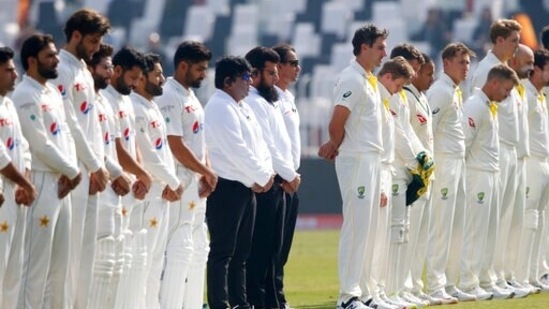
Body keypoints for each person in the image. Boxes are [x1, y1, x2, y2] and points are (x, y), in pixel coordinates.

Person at [318, 23, 388, 309]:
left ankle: (367, 293)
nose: (384, 52)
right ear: (364, 47)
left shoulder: (368, 79)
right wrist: (336, 145)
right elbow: (336, 122)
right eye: (380, 47)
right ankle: (348, 297)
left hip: (371, 158)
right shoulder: (352, 79)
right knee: (357, 228)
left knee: (370, 230)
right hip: (357, 158)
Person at [14, 33, 82, 309]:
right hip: (41, 181)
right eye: (49, 56)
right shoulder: (24, 94)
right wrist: (72, 170)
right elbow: (39, 142)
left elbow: (64, 135)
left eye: (55, 54)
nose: (56, 60)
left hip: (61, 183)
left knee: (58, 266)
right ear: (32, 61)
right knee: (35, 264)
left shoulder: (51, 92)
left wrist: (70, 170)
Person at [204, 56, 274, 309]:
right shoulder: (219, 107)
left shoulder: (242, 106)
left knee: (242, 254)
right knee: (223, 251)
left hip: (246, 187)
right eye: (245, 78)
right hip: (226, 188)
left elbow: (260, 145)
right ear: (227, 81)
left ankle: (240, 302)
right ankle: (220, 304)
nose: (249, 83)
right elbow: (237, 150)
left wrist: (265, 174)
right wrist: (262, 177)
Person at [52, 9, 111, 308]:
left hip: (89, 172)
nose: (96, 48)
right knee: (67, 256)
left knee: (85, 255)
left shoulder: (81, 70)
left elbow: (92, 126)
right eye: (92, 40)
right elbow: (70, 122)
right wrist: (94, 165)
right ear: (75, 35)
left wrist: (98, 166)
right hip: (72, 171)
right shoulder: (61, 68)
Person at [157, 41, 217, 309]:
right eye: (200, 69)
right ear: (183, 66)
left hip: (195, 181)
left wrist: (207, 169)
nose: (204, 74)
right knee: (179, 250)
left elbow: (199, 140)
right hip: (179, 179)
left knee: (197, 249)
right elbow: (175, 144)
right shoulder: (168, 95)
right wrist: (204, 170)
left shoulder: (190, 96)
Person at [469, 18, 522, 300]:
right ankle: (485, 278)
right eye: (514, 40)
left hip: (510, 150)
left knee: (503, 220)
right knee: (491, 220)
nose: (517, 46)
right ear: (499, 40)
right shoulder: (486, 71)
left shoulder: (506, 70)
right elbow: (477, 108)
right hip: (494, 150)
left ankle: (497, 276)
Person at [244, 46, 300, 309]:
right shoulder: (254, 101)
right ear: (254, 73)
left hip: (282, 180)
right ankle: (259, 300)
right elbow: (269, 146)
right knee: (262, 249)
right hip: (270, 181)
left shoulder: (272, 99)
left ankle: (271, 299)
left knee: (275, 250)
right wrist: (289, 174)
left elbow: (283, 143)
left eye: (277, 71)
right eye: (271, 72)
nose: (276, 78)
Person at [458, 65, 520, 300]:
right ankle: (467, 282)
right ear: (494, 83)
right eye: (506, 89)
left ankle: (483, 279)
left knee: (489, 230)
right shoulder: (475, 105)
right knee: (476, 229)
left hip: (491, 172)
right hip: (478, 173)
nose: (507, 95)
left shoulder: (488, 105)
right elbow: (464, 143)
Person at [130, 53, 183, 309]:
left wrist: (169, 182)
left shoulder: (152, 106)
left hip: (161, 192)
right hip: (148, 194)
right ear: (141, 79)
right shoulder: (137, 108)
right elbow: (148, 154)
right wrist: (173, 180)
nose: (163, 79)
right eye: (157, 75)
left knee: (155, 262)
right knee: (142, 260)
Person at [100, 46, 152, 309]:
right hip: (114, 186)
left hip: (130, 187)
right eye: (132, 78)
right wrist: (140, 174)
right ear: (117, 71)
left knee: (128, 258)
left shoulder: (125, 100)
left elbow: (134, 146)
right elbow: (118, 149)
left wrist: (141, 174)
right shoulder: (106, 99)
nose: (134, 84)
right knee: (110, 259)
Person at [424, 43, 476, 303]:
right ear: (447, 62)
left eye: (468, 63)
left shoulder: (454, 91)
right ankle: (434, 285)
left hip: (457, 162)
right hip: (444, 164)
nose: (466, 67)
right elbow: (427, 132)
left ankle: (449, 282)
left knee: (456, 226)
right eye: (462, 62)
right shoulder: (441, 91)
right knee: (442, 226)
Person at [87, 43, 133, 309]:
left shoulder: (105, 101)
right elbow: (92, 145)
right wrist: (118, 173)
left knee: (113, 262)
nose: (110, 72)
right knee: (96, 262)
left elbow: (113, 146)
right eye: (105, 67)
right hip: (97, 185)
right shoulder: (86, 100)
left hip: (113, 188)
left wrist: (120, 174)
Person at [384, 44, 430, 309]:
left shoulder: (402, 95)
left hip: (407, 170)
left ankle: (398, 289)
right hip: (395, 170)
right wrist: (416, 160)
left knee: (404, 232)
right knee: (393, 232)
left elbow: (408, 132)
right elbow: (398, 134)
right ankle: (388, 290)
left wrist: (422, 157)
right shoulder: (393, 95)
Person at [367, 56, 415, 309]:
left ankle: (379, 292)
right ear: (388, 77)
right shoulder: (376, 96)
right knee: (376, 237)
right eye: (398, 85)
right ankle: (370, 293)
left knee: (386, 236)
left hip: (385, 171)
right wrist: (415, 161)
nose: (398, 91)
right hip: (377, 170)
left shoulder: (384, 97)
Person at [491, 44, 535, 298]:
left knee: (514, 221)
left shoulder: (517, 86)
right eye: (527, 61)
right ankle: (493, 277)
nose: (531, 66)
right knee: (499, 220)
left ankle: (506, 276)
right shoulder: (493, 75)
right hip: (500, 155)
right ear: (515, 62)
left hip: (518, 156)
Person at [401, 53, 440, 305]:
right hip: (412, 175)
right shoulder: (406, 97)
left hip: (427, 174)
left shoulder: (422, 97)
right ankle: (404, 286)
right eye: (426, 72)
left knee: (420, 235)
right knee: (409, 234)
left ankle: (415, 285)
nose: (430, 78)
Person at [0, 46, 37, 308]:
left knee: (13, 270)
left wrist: (25, 179)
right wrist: (25, 183)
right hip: (3, 195)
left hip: (15, 196)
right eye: (9, 70)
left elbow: (22, 147)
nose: (15, 74)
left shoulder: (9, 104)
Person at [517, 49, 549, 292]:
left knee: (538, 221)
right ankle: (522, 276)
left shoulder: (539, 95)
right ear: (536, 69)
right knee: (529, 219)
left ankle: (536, 273)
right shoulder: (526, 95)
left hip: (544, 162)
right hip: (531, 163)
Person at [272, 43, 301, 309]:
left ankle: (277, 295)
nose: (297, 68)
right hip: (281, 180)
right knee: (272, 247)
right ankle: (273, 297)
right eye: (292, 63)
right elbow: (273, 144)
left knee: (284, 247)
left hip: (291, 179)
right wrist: (286, 174)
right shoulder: (272, 99)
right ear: (278, 67)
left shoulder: (289, 98)